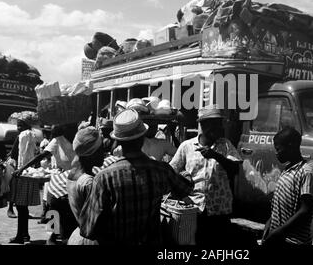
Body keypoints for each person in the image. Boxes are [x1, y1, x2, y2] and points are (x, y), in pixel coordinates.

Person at [79, 109, 193, 245]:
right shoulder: (160, 170)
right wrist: (184, 171)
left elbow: (88, 229)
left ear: (118, 141)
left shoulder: (104, 178)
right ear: (142, 138)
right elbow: (186, 188)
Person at [169, 105, 243, 245]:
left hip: (220, 210)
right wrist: (182, 193)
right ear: (202, 124)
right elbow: (171, 172)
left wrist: (216, 156)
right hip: (194, 209)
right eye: (212, 124)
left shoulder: (225, 145)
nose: (217, 128)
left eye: (218, 123)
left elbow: (235, 170)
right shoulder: (187, 146)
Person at [262, 127, 313, 246]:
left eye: (278, 149)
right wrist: (270, 223)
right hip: (280, 238)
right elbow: (279, 206)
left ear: (291, 146)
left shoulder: (305, 172)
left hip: (294, 241)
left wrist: (279, 232)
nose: (276, 153)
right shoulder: (286, 171)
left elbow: (305, 210)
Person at [67, 127, 105, 245]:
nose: (103, 153)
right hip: (90, 240)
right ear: (91, 153)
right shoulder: (88, 182)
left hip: (78, 236)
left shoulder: (73, 173)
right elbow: (97, 219)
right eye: (101, 149)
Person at [8, 114, 39, 244]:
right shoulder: (32, 135)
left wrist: (17, 168)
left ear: (26, 125)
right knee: (23, 207)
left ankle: (21, 236)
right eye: (17, 125)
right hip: (28, 172)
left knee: (21, 207)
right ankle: (25, 234)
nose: (18, 127)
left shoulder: (23, 135)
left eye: (20, 125)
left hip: (21, 173)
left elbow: (19, 154)